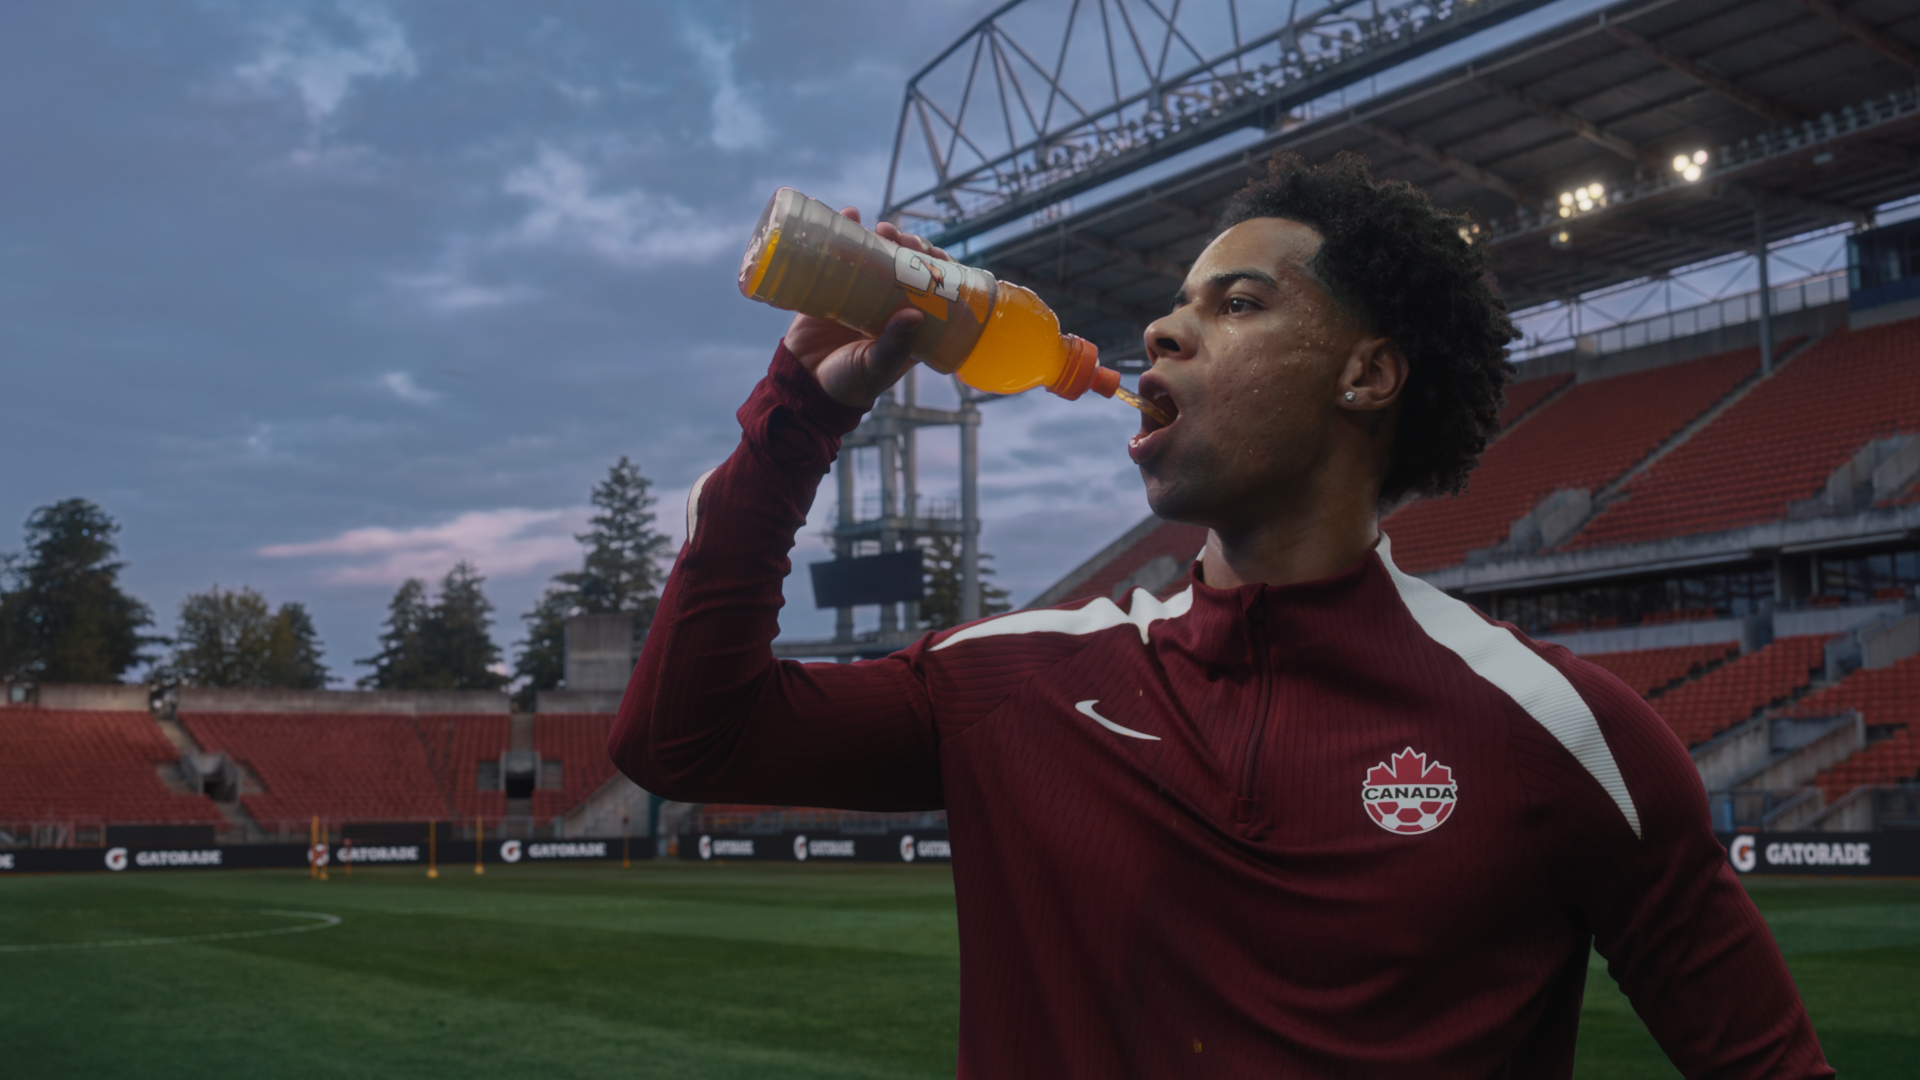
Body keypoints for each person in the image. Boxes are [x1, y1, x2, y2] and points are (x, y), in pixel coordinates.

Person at [610, 152, 1831, 1078]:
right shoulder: (1009, 681)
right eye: (1176, 305)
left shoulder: (1569, 737)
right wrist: (797, 416)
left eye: (1238, 303)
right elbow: (684, 739)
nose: (1160, 329)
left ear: (1368, 374)